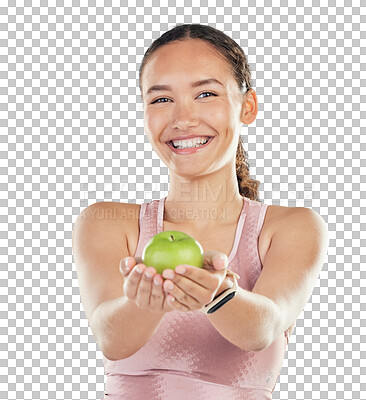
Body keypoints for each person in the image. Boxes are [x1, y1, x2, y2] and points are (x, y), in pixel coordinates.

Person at [72, 23, 329, 400]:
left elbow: (263, 328)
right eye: (161, 99)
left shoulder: (290, 227)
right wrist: (145, 301)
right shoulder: (106, 223)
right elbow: (111, 339)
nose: (183, 119)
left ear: (248, 106)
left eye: (206, 93)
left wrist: (218, 294)